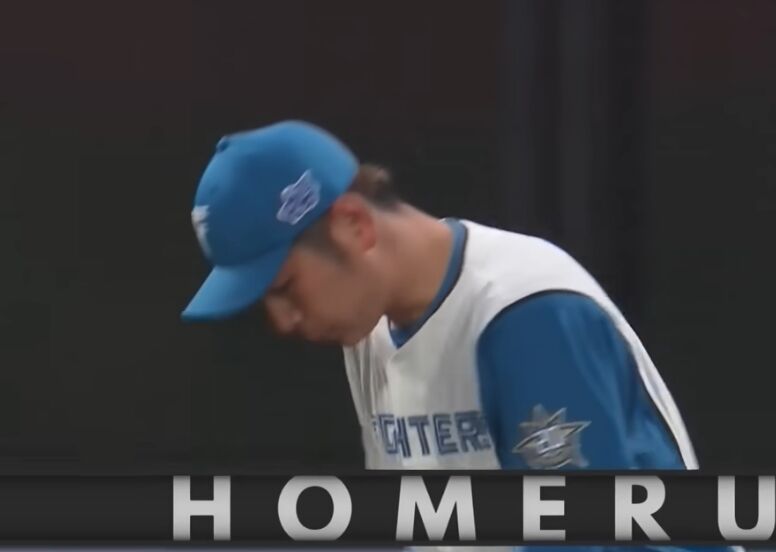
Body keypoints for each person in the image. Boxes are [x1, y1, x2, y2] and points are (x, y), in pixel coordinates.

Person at [182, 120, 733, 551]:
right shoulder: (370, 333)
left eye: (285, 288)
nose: (284, 321)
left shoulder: (524, 309)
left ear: (354, 225)